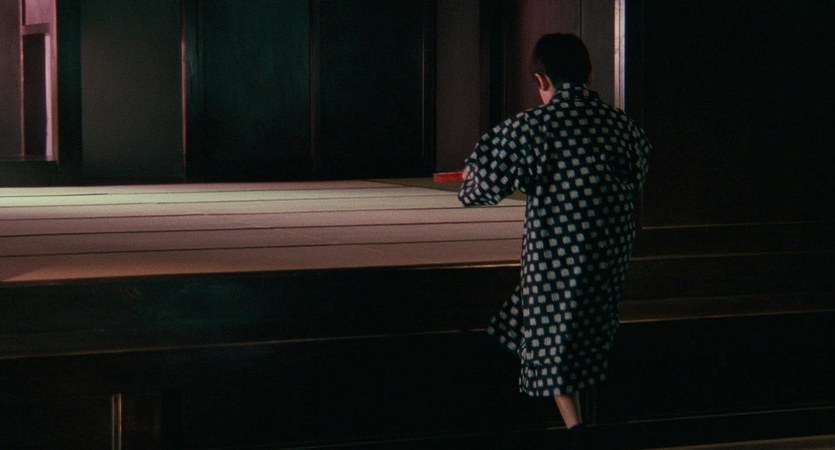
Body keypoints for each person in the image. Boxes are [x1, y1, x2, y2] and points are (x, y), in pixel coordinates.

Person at [458, 33, 651, 449]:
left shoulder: (530, 127)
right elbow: (640, 173)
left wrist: (472, 176)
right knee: (539, 321)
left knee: (550, 334)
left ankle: (576, 433)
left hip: (554, 254)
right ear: (591, 75)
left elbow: (478, 191)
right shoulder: (624, 127)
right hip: (610, 254)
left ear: (540, 80)